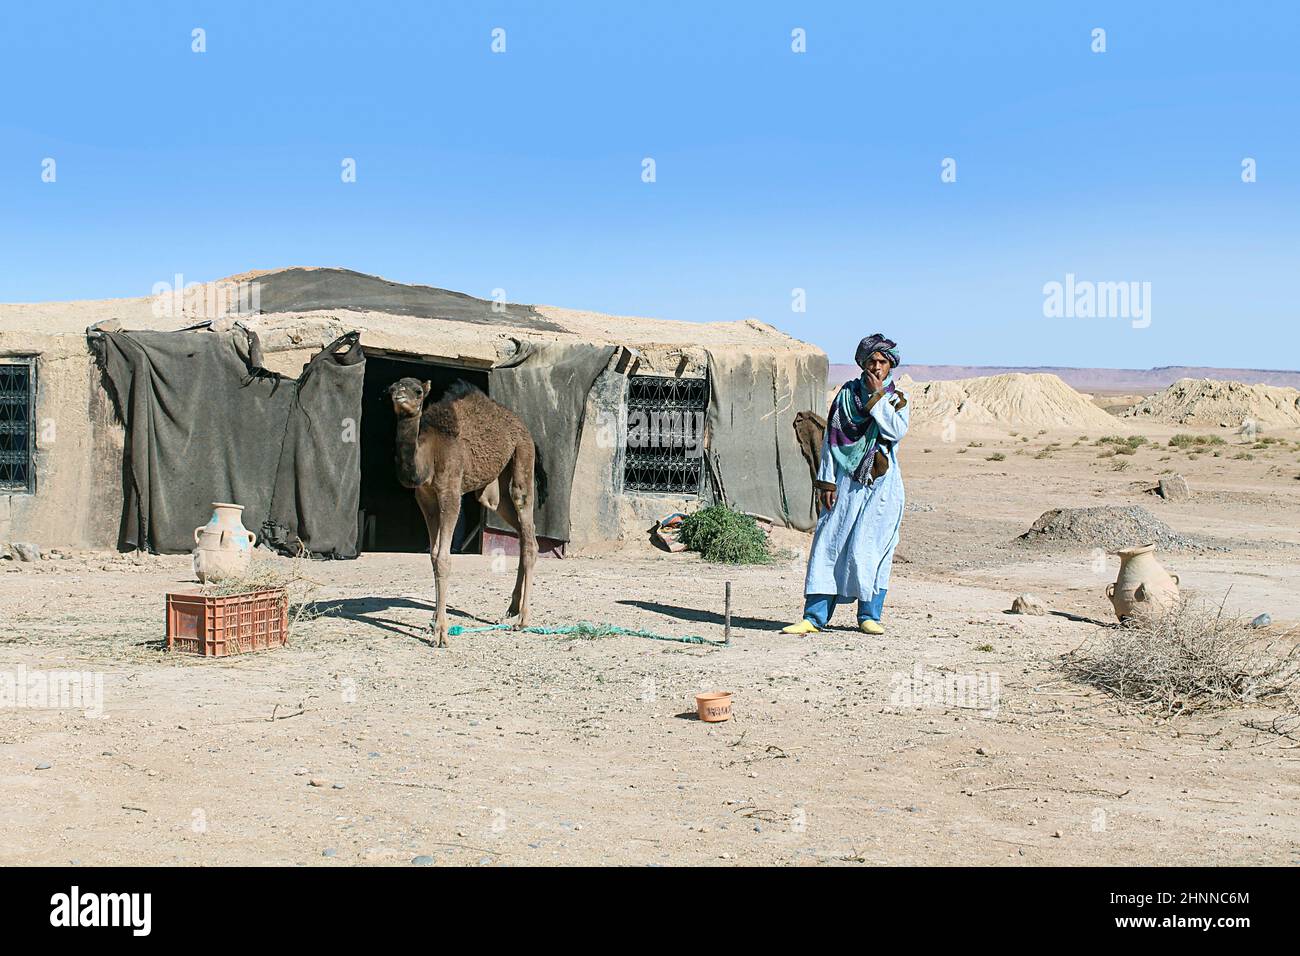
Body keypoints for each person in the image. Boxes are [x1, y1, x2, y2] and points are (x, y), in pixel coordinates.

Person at [783, 333, 910, 635]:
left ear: (890, 365)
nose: (877, 367)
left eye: (882, 361)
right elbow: (830, 440)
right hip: (844, 483)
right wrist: (826, 481)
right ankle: (814, 617)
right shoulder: (846, 396)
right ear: (863, 363)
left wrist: (878, 397)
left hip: (881, 487)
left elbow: (895, 431)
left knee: (870, 549)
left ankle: (869, 615)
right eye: (872, 361)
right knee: (829, 544)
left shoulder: (897, 399)